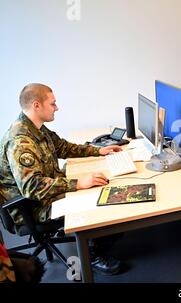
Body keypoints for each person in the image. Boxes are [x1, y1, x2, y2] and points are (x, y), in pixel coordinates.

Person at [0, 83, 124, 275]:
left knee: (100, 185)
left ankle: (93, 242)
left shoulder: (36, 128)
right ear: (36, 105)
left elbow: (63, 147)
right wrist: (78, 183)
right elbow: (32, 187)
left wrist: (98, 151)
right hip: (32, 206)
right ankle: (92, 253)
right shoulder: (21, 141)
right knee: (103, 200)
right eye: (53, 103)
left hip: (45, 192)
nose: (57, 108)